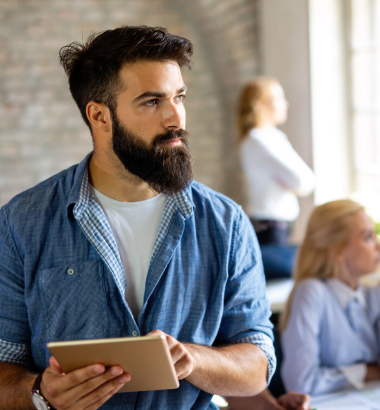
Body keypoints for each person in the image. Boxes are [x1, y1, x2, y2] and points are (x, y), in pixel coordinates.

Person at [0, 26, 276, 409]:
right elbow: (4, 368)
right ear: (99, 116)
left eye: (179, 97)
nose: (174, 117)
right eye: (151, 102)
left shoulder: (225, 222)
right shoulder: (20, 223)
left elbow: (258, 363)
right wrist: (41, 394)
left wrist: (193, 359)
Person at [280, 199, 380, 396]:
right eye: (368, 237)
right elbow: (301, 384)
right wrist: (366, 371)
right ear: (338, 249)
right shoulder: (311, 293)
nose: (379, 245)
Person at [237, 77, 315, 281]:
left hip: (279, 227)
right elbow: (302, 181)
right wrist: (290, 184)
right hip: (270, 230)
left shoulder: (273, 137)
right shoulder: (258, 140)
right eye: (278, 98)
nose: (285, 104)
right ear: (262, 104)